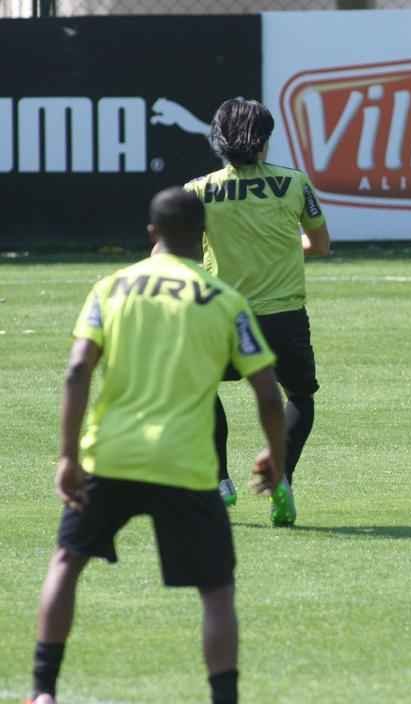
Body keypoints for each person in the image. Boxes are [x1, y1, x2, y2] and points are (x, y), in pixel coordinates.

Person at [26, 188, 286, 704]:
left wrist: (66, 456)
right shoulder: (225, 301)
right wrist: (276, 459)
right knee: (215, 592)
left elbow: (79, 369)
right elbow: (268, 392)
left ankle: (42, 691)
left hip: (112, 456)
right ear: (203, 234)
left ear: (152, 234)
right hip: (187, 467)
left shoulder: (111, 288)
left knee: (67, 563)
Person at [184, 97, 331, 526]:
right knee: (300, 396)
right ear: (264, 141)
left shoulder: (199, 190)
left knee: (198, 391)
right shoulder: (294, 183)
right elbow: (320, 245)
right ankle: (281, 477)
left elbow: (173, 252)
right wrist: (290, 247)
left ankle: (219, 481)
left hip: (222, 315)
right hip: (284, 316)